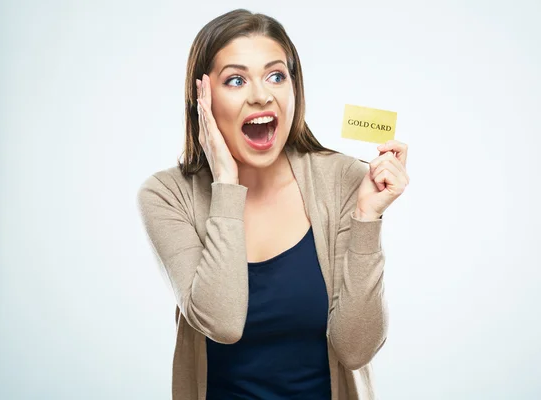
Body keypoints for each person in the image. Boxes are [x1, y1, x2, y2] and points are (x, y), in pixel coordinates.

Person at [137, 8, 409, 400]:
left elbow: (356, 349)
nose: (261, 95)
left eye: (276, 75)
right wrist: (226, 184)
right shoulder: (166, 195)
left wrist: (367, 217)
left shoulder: (343, 180)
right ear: (202, 98)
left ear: (294, 88)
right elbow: (224, 322)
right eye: (235, 80)